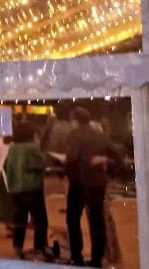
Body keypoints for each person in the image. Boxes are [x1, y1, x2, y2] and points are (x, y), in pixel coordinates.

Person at [65, 107, 121, 267]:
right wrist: (105, 160)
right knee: (98, 221)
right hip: (98, 183)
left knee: (73, 219)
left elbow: (71, 158)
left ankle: (77, 257)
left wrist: (64, 166)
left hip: (79, 183)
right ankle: (97, 259)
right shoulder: (100, 135)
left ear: (74, 120)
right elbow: (117, 155)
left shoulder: (75, 134)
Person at [4, 122, 50, 261]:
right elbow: (41, 163)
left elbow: (6, 166)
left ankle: (18, 248)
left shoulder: (12, 148)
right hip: (31, 189)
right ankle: (38, 249)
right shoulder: (32, 148)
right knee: (41, 221)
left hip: (16, 189)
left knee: (20, 220)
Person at [0, 135, 13, 233]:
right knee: (12, 201)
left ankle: (8, 224)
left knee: (3, 200)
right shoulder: (14, 143)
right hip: (9, 173)